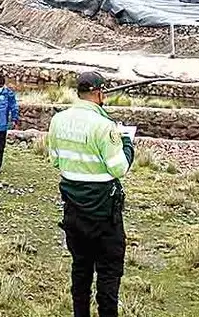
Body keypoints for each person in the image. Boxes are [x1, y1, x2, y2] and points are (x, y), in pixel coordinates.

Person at [46, 71, 134, 317]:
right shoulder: (104, 126)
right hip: (104, 212)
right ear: (99, 93)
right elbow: (119, 168)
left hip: (73, 210)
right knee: (108, 272)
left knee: (81, 268)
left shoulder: (58, 120)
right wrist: (127, 144)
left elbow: (55, 160)